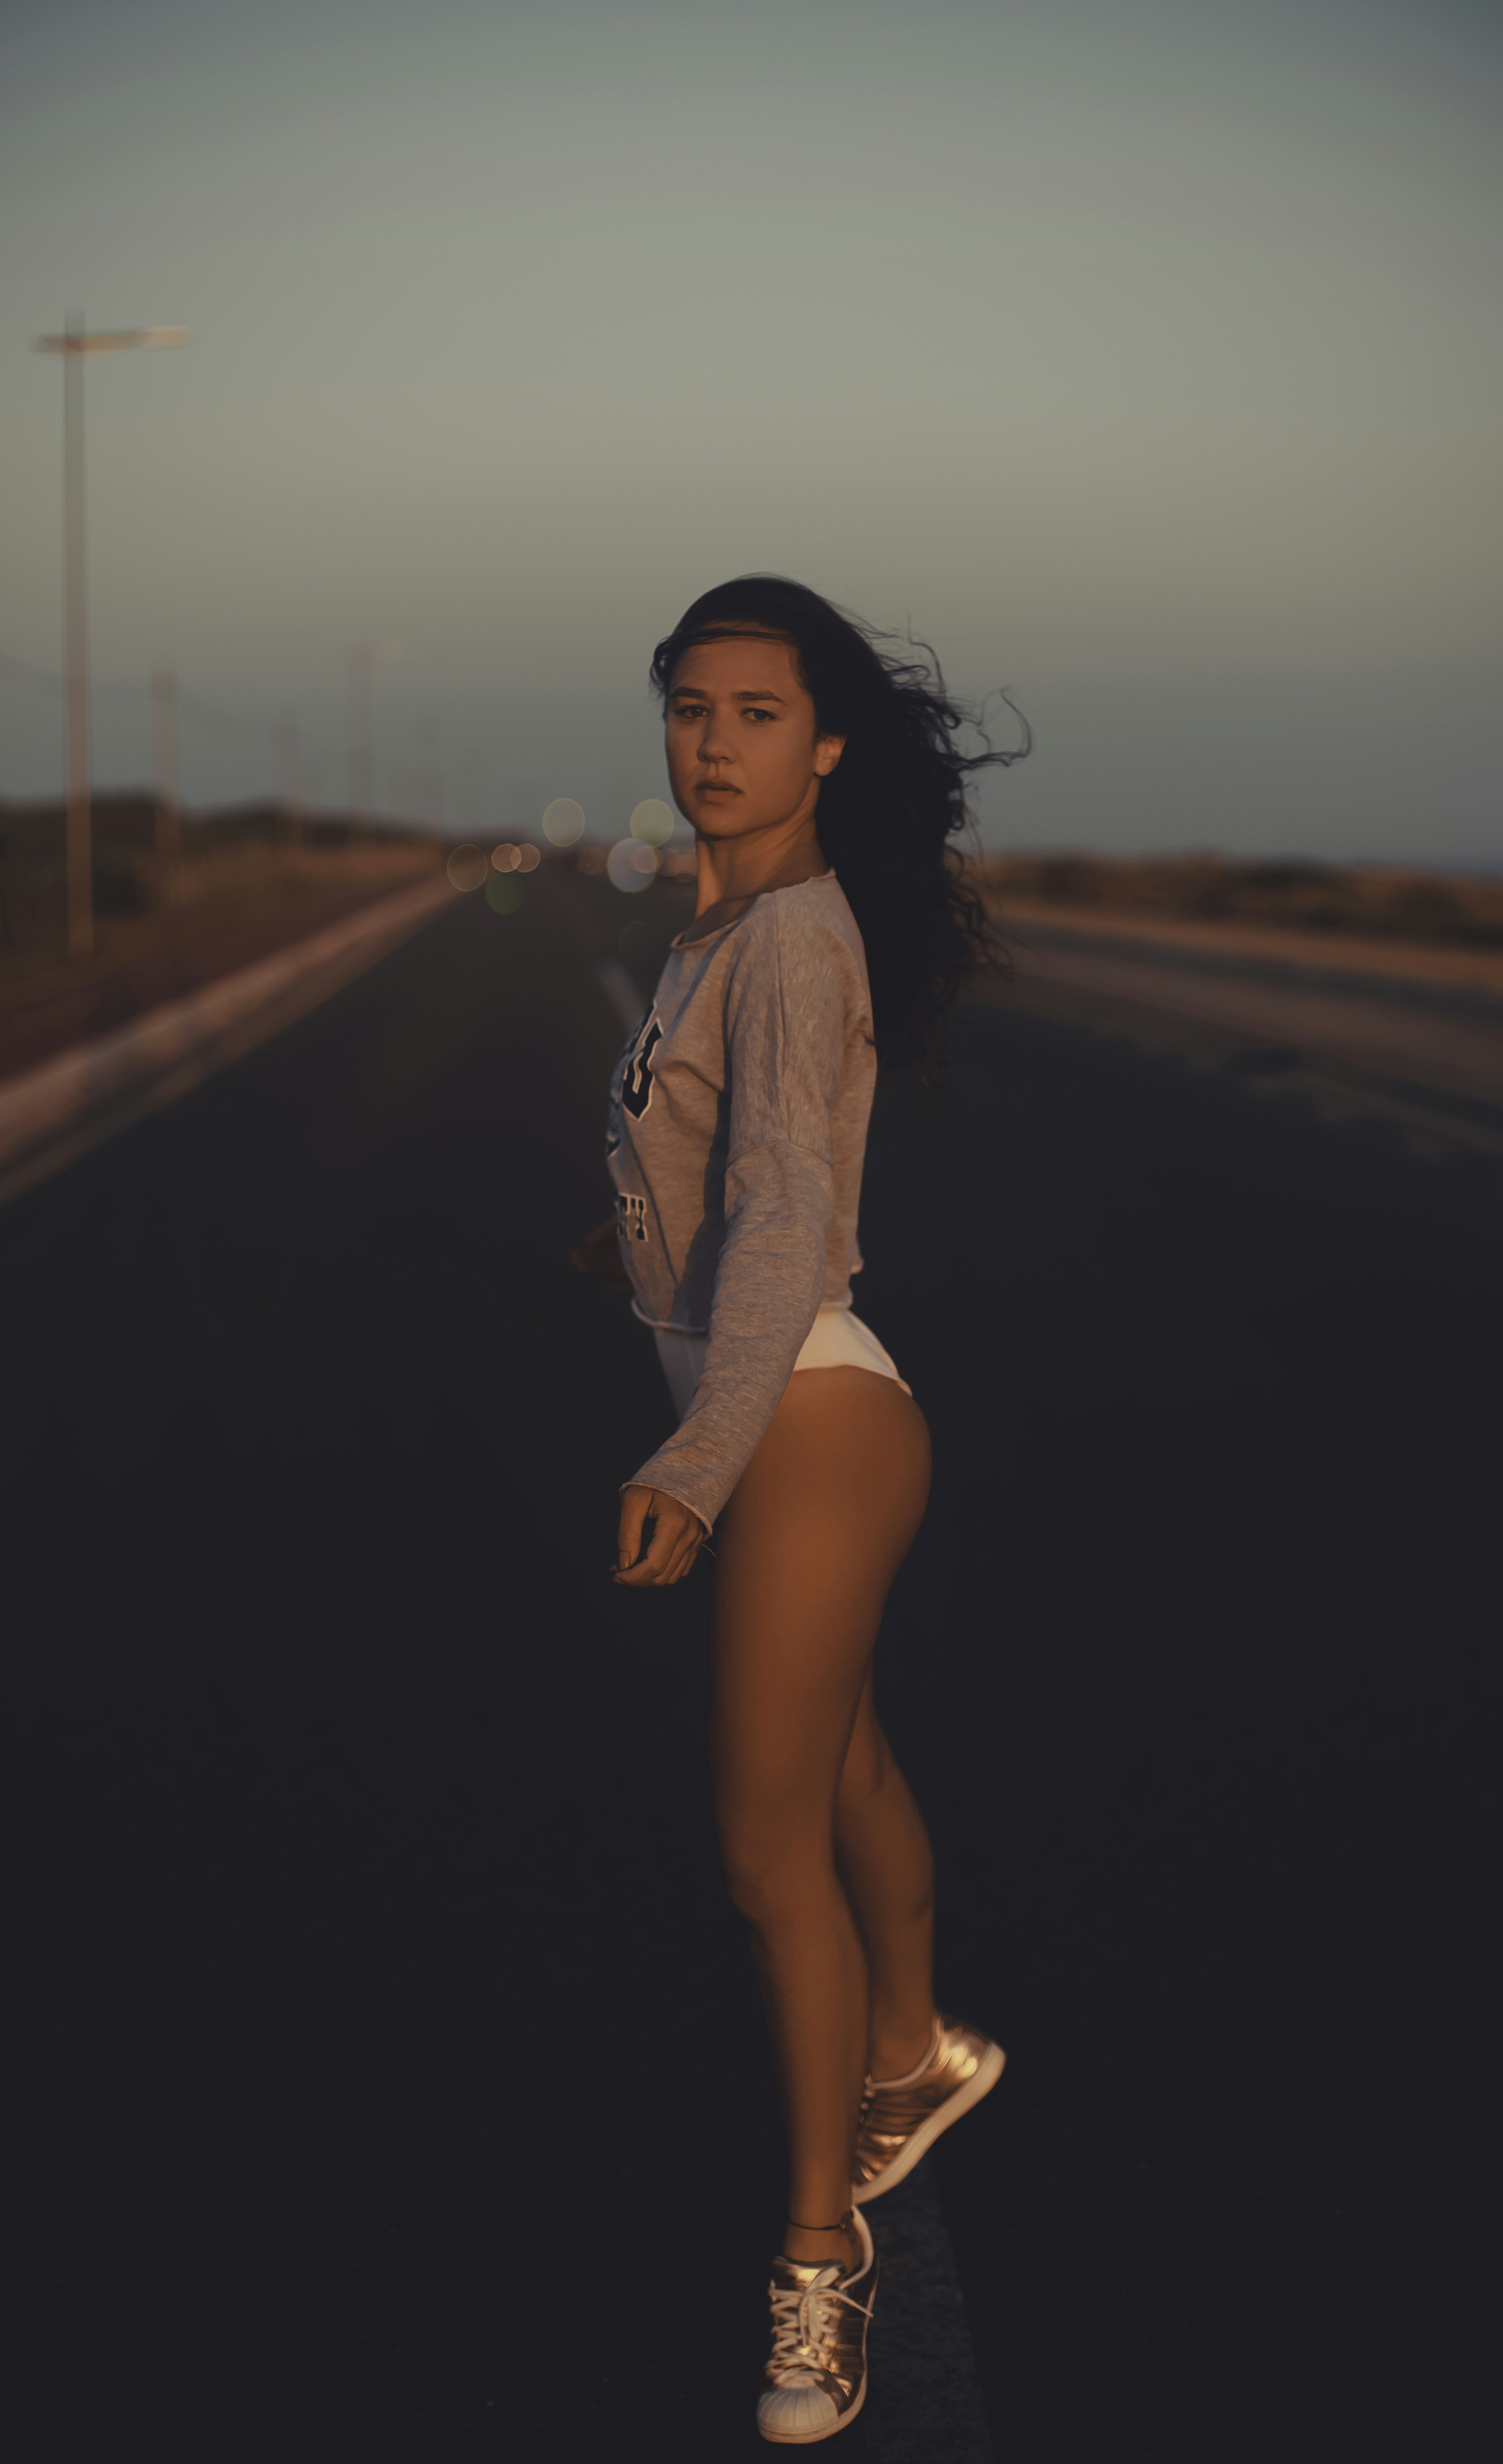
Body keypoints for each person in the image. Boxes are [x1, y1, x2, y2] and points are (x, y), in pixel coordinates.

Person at [573, 576, 1019, 2445]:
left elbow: (775, 1228)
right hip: (780, 1397)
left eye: (757, 712)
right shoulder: (722, 926)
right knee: (842, 1772)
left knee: (765, 1848)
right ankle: (917, 2050)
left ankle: (821, 2262)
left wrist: (695, 1461)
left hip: (807, 1418)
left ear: (827, 742)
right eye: (691, 706)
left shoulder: (788, 937)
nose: (713, 742)